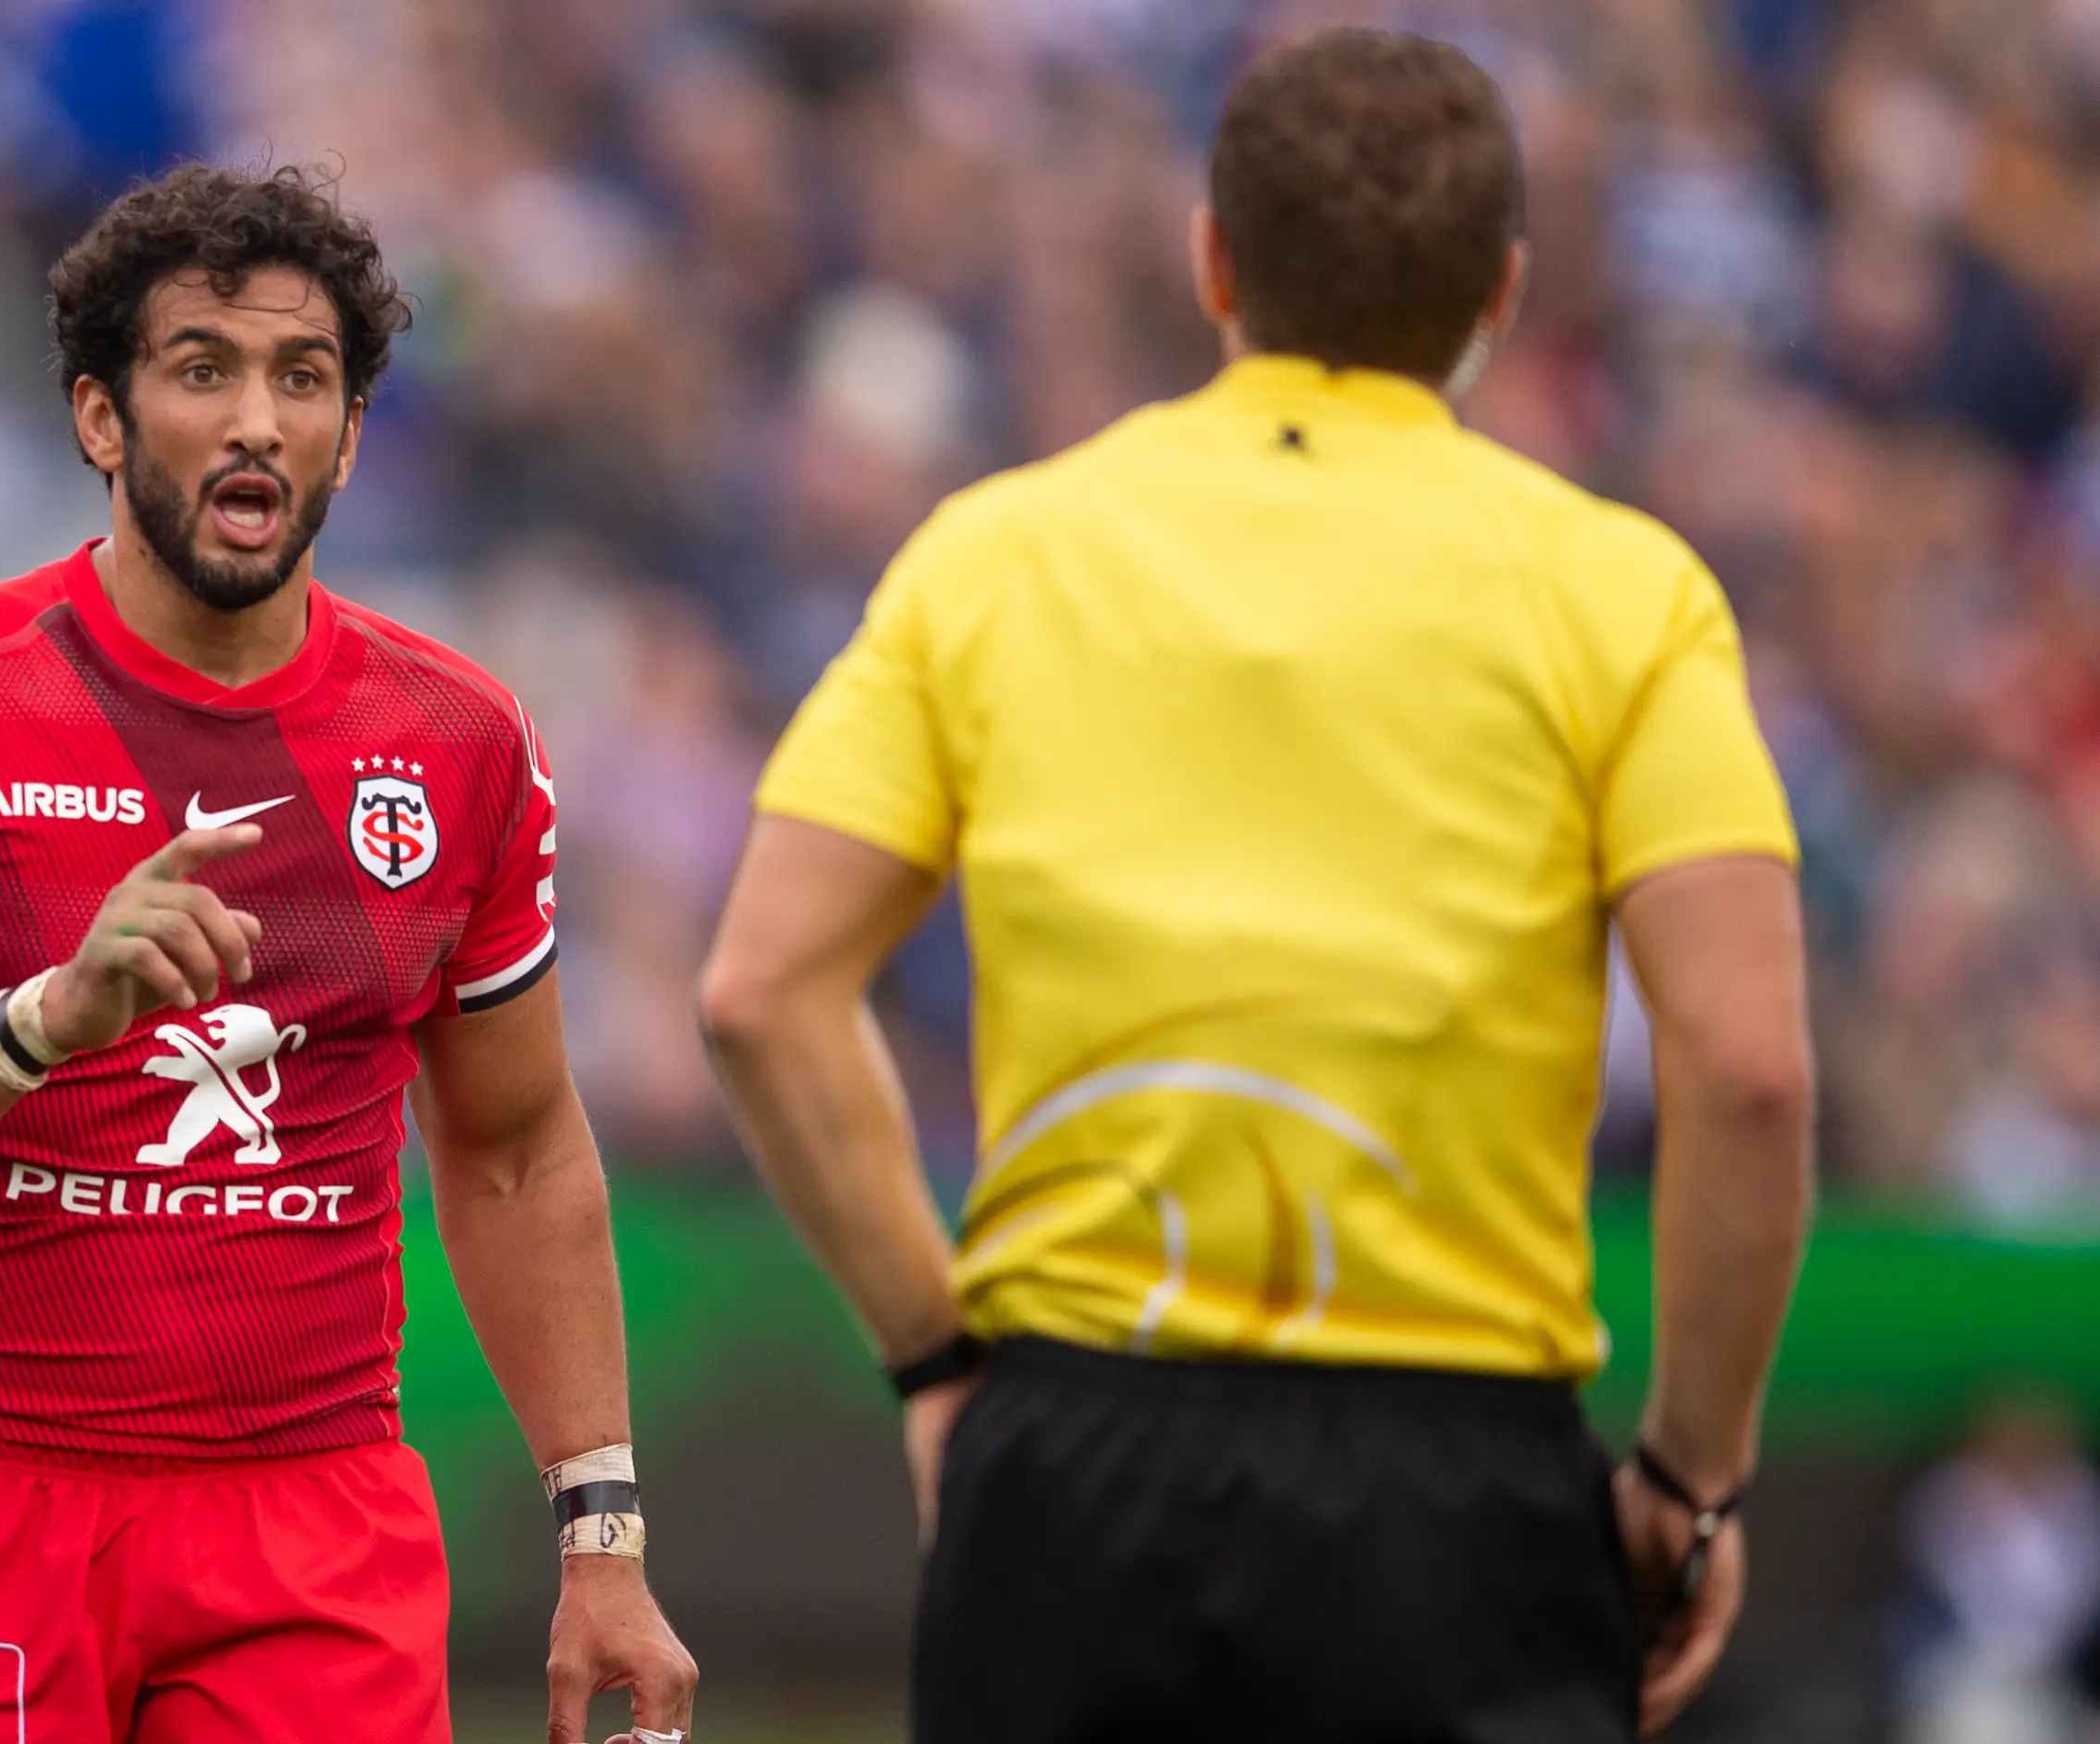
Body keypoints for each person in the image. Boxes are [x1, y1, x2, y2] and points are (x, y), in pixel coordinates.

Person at [698, 27, 1813, 1743]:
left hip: (1071, 1463)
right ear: (1498, 291)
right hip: (1458, 1489)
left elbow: (759, 988)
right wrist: (1692, 1473)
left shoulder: (998, 553)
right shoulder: (1623, 593)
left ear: (1210, 257)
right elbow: (1746, 1068)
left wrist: (937, 1360)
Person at [0, 164, 695, 1744]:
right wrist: (43, 1017)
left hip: (306, 1526)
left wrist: (604, 1543)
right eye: (203, 369)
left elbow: (517, 1149)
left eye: (301, 378)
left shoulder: (459, 741)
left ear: (351, 435)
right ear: (100, 418)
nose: (257, 418)